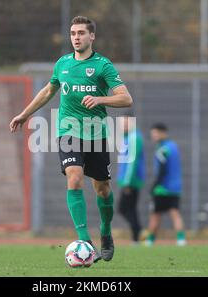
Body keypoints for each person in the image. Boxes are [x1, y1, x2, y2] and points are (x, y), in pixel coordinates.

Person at [10, 16, 132, 262]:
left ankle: (106, 233)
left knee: (102, 188)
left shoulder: (103, 66)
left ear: (92, 37)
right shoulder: (63, 64)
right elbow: (47, 91)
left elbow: (126, 98)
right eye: (73, 33)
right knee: (74, 178)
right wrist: (24, 114)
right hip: (68, 131)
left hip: (96, 133)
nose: (76, 37)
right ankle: (84, 240)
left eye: (81, 33)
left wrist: (100, 99)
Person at [144, 123, 186, 246]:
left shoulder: (162, 149)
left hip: (162, 188)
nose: (154, 136)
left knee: (155, 215)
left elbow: (162, 169)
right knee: (175, 213)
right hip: (175, 188)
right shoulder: (174, 147)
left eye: (155, 133)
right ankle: (181, 239)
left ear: (163, 133)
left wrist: (154, 185)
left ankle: (150, 240)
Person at [117, 113, 145, 244]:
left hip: (131, 181)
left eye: (126, 122)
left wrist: (127, 182)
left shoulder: (134, 137)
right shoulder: (127, 138)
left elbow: (132, 161)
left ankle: (138, 231)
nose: (124, 125)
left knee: (123, 208)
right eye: (122, 123)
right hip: (127, 180)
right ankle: (136, 237)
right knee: (129, 208)